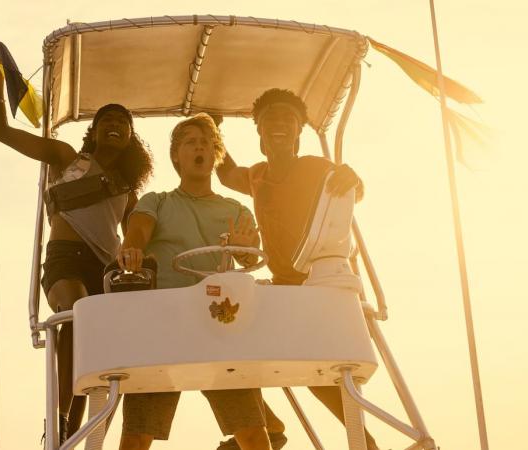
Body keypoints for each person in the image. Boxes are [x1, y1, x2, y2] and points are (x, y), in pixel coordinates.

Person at [0, 43, 154, 443]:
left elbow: (140, 233)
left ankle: (76, 431)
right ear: (93, 131)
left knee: (93, 344)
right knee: (76, 316)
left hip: (103, 270)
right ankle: (58, 421)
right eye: (105, 120)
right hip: (64, 260)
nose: (114, 124)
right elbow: (0, 130)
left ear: (130, 136)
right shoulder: (66, 158)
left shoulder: (129, 191)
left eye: (122, 122)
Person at [216, 88, 380, 450]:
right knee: (225, 339)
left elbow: (353, 189)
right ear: (259, 133)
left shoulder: (314, 168)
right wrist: (212, 125)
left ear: (298, 132)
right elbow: (226, 173)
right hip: (281, 287)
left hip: (315, 286)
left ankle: (365, 443)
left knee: (318, 374)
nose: (279, 124)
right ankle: (271, 426)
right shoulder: (257, 175)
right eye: (270, 118)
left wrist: (353, 178)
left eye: (288, 119)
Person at [115, 113, 271, 450]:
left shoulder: (236, 209)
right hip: (165, 323)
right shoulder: (157, 201)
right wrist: (132, 250)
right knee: (137, 434)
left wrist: (246, 249)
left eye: (206, 143)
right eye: (190, 142)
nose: (199, 147)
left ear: (215, 154)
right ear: (176, 155)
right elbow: (138, 231)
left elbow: (251, 254)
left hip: (219, 323)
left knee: (254, 434)